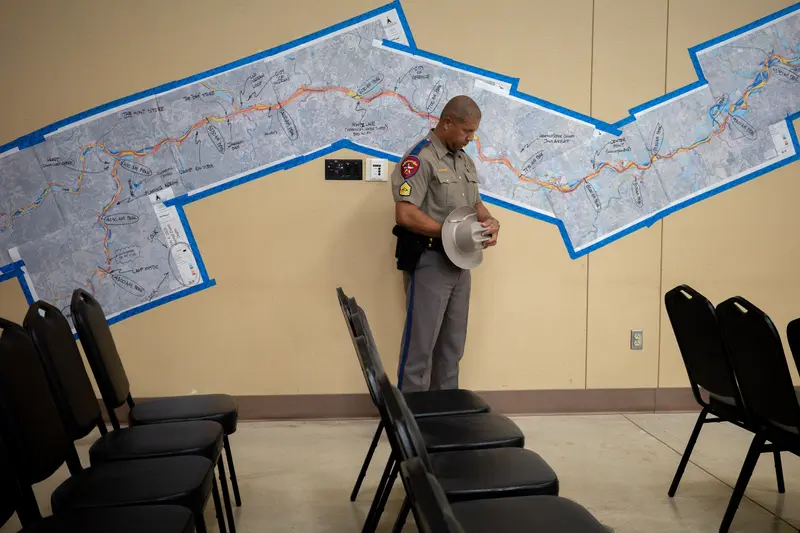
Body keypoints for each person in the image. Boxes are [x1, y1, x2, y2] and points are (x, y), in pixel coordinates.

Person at [390, 95, 500, 393]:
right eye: (467, 131)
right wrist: (451, 233)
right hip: (429, 261)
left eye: (473, 132)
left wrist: (490, 222)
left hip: (461, 263)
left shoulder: (463, 161)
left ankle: (446, 414)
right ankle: (411, 422)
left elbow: (475, 204)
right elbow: (406, 214)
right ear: (447, 122)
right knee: (421, 347)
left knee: (452, 347)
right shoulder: (419, 159)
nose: (470, 138)